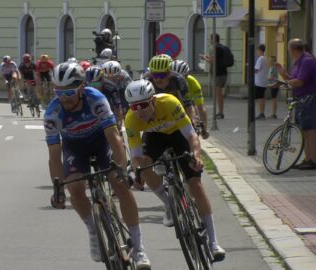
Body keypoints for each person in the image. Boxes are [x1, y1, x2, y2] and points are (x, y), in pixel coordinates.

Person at [45, 62, 151, 269]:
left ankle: (139, 248)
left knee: (119, 183)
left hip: (101, 141)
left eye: (70, 91)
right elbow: (54, 155)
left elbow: (113, 136)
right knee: (73, 187)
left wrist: (121, 168)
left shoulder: (96, 99)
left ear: (82, 88)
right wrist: (58, 188)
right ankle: (93, 230)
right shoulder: (52, 113)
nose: (64, 97)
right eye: (59, 91)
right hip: (75, 148)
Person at [124, 79, 226, 262]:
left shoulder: (170, 103)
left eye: (143, 105)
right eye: (134, 106)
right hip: (155, 137)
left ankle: (213, 242)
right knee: (145, 166)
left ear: (153, 101)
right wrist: (137, 171)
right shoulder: (131, 119)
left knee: (195, 184)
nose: (138, 111)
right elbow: (136, 156)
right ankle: (169, 203)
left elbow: (191, 135)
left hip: (178, 135)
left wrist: (197, 155)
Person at [275, 39, 316, 170]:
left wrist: (285, 82)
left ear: (292, 49)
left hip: (310, 99)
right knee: (304, 130)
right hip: (302, 99)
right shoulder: (298, 62)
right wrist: (283, 75)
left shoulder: (307, 61)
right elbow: (293, 80)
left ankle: (312, 160)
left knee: (310, 130)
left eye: (288, 49)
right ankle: (307, 158)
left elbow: (300, 82)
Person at [145, 54, 199, 126]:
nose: (158, 79)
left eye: (162, 75)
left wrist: (192, 122)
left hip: (176, 113)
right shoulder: (147, 81)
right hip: (156, 116)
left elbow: (188, 105)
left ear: (169, 73)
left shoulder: (178, 80)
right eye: (155, 75)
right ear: (151, 74)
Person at [171, 59, 210, 139]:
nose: (179, 80)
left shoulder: (193, 82)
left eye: (182, 77)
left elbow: (201, 108)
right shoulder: (168, 82)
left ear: (187, 75)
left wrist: (204, 129)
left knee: (193, 111)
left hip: (188, 103)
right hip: (173, 104)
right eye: (175, 78)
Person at [201, 33, 233, 119]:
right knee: (220, 94)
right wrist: (208, 58)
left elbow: (212, 61)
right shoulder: (223, 47)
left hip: (217, 74)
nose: (210, 41)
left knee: (218, 95)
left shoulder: (216, 49)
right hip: (224, 73)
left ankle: (220, 112)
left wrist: (205, 58)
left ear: (213, 40)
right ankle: (220, 112)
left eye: (210, 39)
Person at [101, 60, 133, 129]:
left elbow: (130, 90)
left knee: (127, 115)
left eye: (114, 78)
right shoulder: (100, 77)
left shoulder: (124, 75)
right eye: (108, 79)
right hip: (109, 93)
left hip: (121, 92)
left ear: (119, 74)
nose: (111, 81)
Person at [255, 44, 269, 120]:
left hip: (259, 81)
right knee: (262, 97)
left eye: (257, 50)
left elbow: (256, 69)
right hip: (264, 81)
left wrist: (250, 67)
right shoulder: (265, 58)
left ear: (260, 50)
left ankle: (261, 113)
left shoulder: (260, 59)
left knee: (260, 97)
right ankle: (262, 112)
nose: (257, 52)